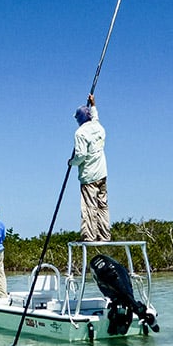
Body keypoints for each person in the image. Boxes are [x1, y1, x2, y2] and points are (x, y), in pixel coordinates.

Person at [68, 93, 110, 241]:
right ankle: (104, 235)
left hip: (89, 177)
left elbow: (81, 156)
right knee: (102, 206)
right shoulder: (98, 127)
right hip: (102, 173)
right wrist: (93, 104)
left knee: (89, 207)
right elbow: (95, 117)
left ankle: (90, 236)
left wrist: (71, 162)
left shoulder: (80, 133)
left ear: (79, 119)